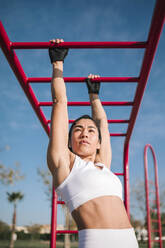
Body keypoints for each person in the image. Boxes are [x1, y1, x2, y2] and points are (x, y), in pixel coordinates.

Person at [47, 38, 139, 248]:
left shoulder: (103, 165)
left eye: (90, 131)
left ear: (99, 142)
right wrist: (58, 64)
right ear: (69, 141)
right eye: (77, 129)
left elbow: (102, 123)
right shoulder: (66, 165)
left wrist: (94, 95)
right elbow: (59, 102)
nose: (85, 134)